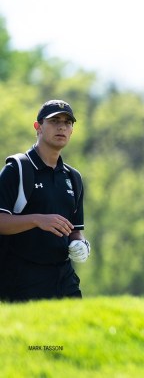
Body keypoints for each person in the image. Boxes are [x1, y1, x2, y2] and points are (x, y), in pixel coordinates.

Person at [0, 100, 90, 302]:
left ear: (72, 131)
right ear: (38, 127)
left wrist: (80, 244)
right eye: (54, 120)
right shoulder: (17, 169)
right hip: (21, 278)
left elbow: (75, 229)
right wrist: (37, 220)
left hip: (64, 276)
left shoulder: (73, 178)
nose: (61, 127)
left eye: (67, 122)